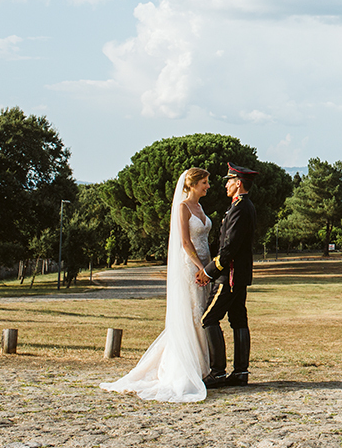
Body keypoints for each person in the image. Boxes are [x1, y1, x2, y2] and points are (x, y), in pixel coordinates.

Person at [100, 167, 213, 402]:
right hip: (191, 267)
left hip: (206, 266)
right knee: (192, 315)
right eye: (204, 182)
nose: (208, 186)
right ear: (192, 185)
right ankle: (188, 367)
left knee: (201, 314)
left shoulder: (200, 208)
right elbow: (184, 241)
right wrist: (199, 267)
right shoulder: (183, 208)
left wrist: (210, 267)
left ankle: (203, 366)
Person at [196, 162, 257, 387]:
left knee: (209, 318)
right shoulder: (242, 205)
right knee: (238, 319)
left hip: (229, 275)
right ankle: (240, 372)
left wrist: (209, 272)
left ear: (238, 183)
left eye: (229, 181)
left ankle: (218, 372)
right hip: (239, 274)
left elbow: (230, 247)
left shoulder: (240, 207)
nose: (226, 186)